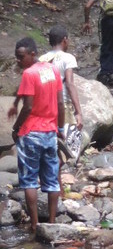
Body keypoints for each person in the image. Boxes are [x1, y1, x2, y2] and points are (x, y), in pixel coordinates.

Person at [9, 37, 64, 234]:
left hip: (31, 133)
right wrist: (60, 128)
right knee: (52, 180)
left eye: (21, 57)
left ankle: (35, 225)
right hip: (50, 133)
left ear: (32, 54)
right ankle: (51, 223)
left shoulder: (29, 74)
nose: (18, 61)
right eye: (17, 57)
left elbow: (28, 107)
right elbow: (60, 103)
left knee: (29, 181)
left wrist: (16, 128)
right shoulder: (52, 70)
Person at [40, 27, 84, 134]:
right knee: (66, 136)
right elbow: (69, 84)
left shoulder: (42, 58)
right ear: (65, 40)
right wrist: (78, 112)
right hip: (62, 104)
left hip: (46, 105)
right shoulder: (68, 58)